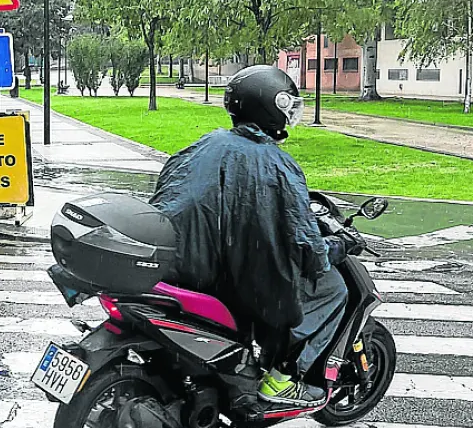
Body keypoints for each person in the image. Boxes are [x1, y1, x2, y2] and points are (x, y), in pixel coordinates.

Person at [149, 65, 350, 408]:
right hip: (226, 278)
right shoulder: (277, 165)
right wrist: (335, 247)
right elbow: (306, 248)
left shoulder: (203, 144)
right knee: (332, 289)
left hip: (178, 264)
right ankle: (283, 378)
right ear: (273, 107)